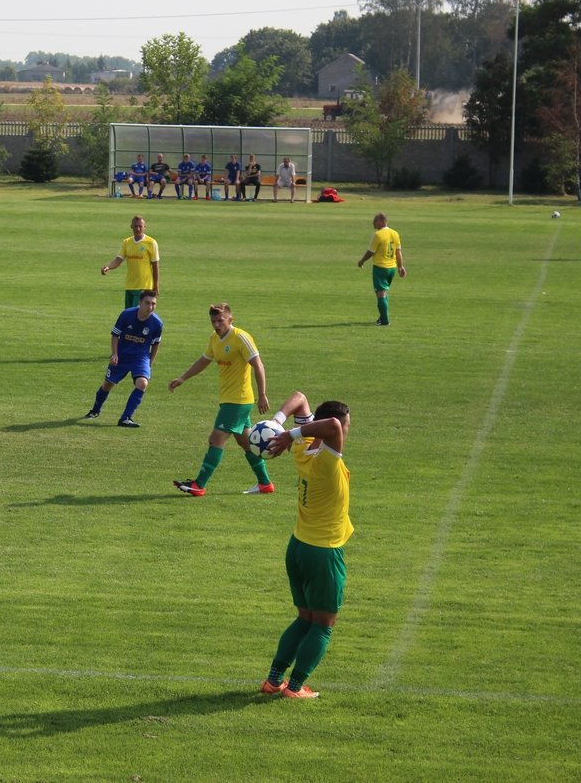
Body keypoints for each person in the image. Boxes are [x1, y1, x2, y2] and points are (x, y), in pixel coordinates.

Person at [258, 391, 353, 700]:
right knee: (323, 625)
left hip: (298, 547)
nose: (347, 431)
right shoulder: (326, 457)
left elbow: (299, 397)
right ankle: (296, 687)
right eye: (347, 425)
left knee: (305, 619)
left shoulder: (300, 448)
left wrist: (277, 424)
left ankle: (274, 681)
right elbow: (334, 429)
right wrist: (288, 433)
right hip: (323, 553)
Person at [169, 303, 274, 497]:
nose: (216, 325)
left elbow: (258, 365)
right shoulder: (214, 339)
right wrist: (183, 378)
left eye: (220, 321)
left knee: (215, 439)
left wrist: (262, 395)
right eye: (213, 321)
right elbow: (203, 360)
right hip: (228, 399)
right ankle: (265, 483)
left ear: (230, 320)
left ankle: (199, 485)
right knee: (246, 443)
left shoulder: (241, 338)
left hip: (238, 400)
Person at [85, 290, 162, 427]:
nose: (150, 307)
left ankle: (125, 418)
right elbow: (115, 335)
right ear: (140, 303)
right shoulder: (127, 315)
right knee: (108, 385)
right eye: (147, 303)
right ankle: (95, 410)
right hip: (122, 355)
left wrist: (150, 362)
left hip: (140, 358)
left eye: (153, 304)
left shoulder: (157, 323)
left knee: (142, 383)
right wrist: (114, 354)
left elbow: (156, 344)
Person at [356, 213, 406, 326]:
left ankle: (385, 321)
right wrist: (400, 266)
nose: (373, 222)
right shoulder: (395, 233)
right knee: (383, 292)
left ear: (383, 221)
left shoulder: (378, 235)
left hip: (380, 268)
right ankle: (382, 317)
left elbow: (371, 252)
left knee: (380, 294)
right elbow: (398, 251)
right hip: (392, 268)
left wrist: (362, 261)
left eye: (376, 220)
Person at [101, 215, 160, 308]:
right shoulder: (127, 242)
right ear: (131, 227)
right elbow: (118, 259)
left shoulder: (151, 243)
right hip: (129, 286)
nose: (138, 228)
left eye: (140, 226)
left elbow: (155, 266)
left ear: (145, 227)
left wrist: (155, 286)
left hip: (144, 286)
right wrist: (108, 267)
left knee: (137, 315)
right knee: (129, 316)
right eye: (135, 226)